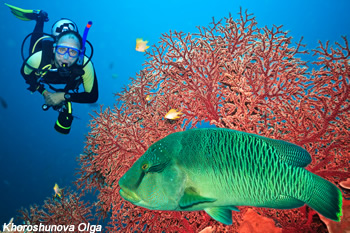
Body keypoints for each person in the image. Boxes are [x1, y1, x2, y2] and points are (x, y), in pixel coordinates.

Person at [6, 3, 98, 134]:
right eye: (61, 50)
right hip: (44, 63)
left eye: (72, 52)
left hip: (62, 85)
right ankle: (40, 18)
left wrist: (63, 96)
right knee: (34, 49)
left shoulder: (84, 64)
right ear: (54, 48)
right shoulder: (40, 57)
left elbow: (93, 96)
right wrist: (44, 92)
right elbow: (25, 73)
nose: (65, 57)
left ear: (79, 53)